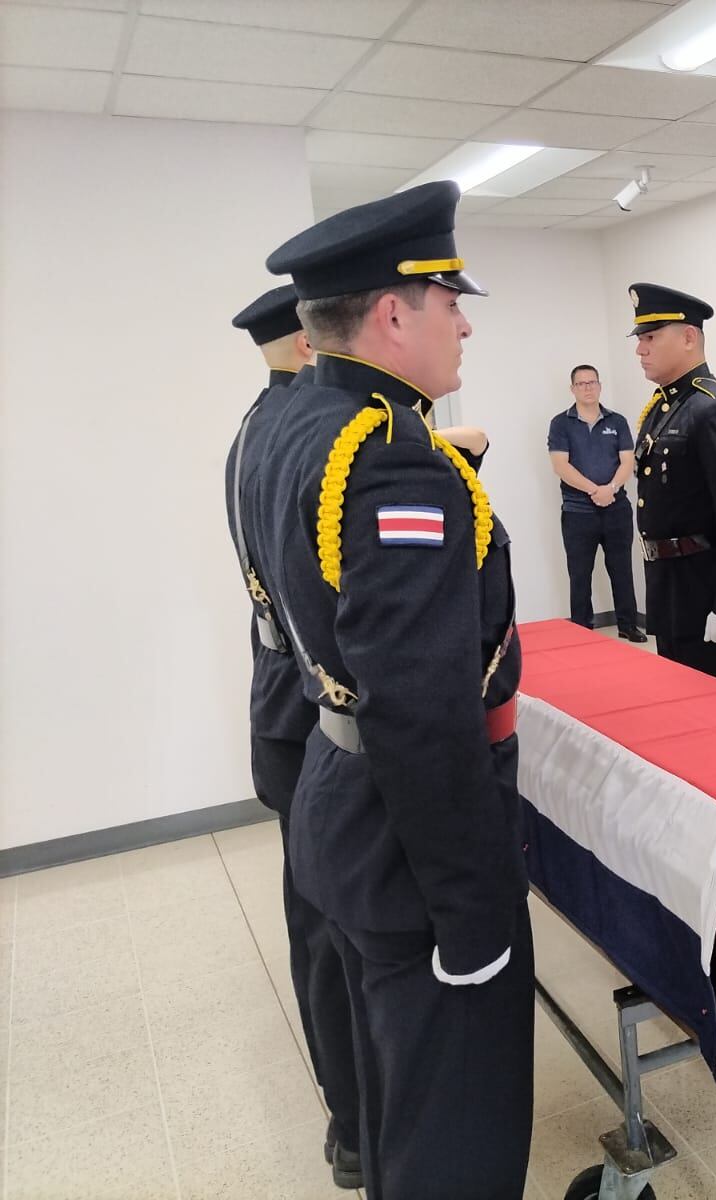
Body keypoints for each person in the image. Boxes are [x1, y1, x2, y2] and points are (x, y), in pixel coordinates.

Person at [254, 181, 534, 1200]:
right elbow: (420, 709)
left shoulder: (288, 423)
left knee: (393, 1083)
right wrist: (469, 914)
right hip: (407, 831)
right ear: (390, 313)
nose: (462, 320)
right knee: (454, 1109)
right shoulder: (393, 465)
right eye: (447, 298)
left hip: (338, 784)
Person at [225, 285, 362, 1190]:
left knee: (312, 910)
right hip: (310, 696)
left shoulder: (254, 427)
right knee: (336, 921)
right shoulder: (317, 433)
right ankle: (356, 1117)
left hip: (274, 689)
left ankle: (346, 1113)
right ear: (313, 347)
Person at [629, 282, 716, 686]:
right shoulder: (663, 408)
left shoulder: (714, 407)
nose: (640, 349)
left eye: (650, 337)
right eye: (640, 338)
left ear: (689, 337)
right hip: (670, 584)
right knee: (681, 710)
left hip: (706, 586)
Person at [547, 363, 647, 641]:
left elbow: (628, 461)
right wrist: (595, 490)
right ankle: (582, 630)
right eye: (581, 384)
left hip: (616, 508)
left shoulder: (617, 421)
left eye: (592, 382)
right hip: (578, 511)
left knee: (622, 569)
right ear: (572, 389)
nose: (588, 388)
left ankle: (628, 625)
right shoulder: (561, 423)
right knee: (580, 574)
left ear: (600, 386)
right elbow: (560, 466)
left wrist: (611, 488)